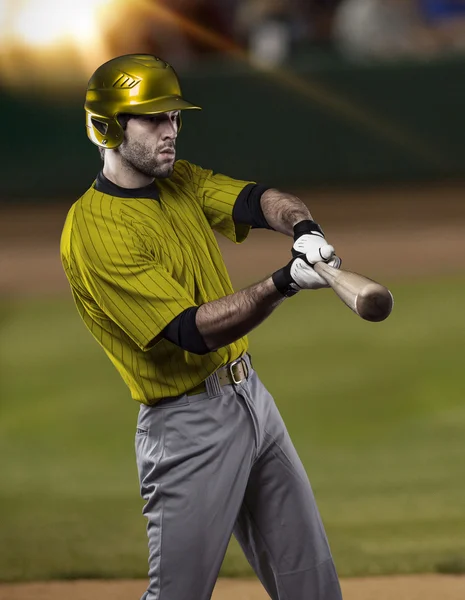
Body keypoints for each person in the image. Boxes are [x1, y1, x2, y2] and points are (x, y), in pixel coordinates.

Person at [60, 53, 343, 600]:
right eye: (153, 119)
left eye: (174, 118)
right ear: (108, 126)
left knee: (311, 586)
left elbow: (256, 200)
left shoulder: (180, 181)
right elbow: (193, 331)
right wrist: (284, 281)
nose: (171, 132)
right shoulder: (95, 232)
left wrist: (304, 228)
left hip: (252, 401)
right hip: (186, 429)